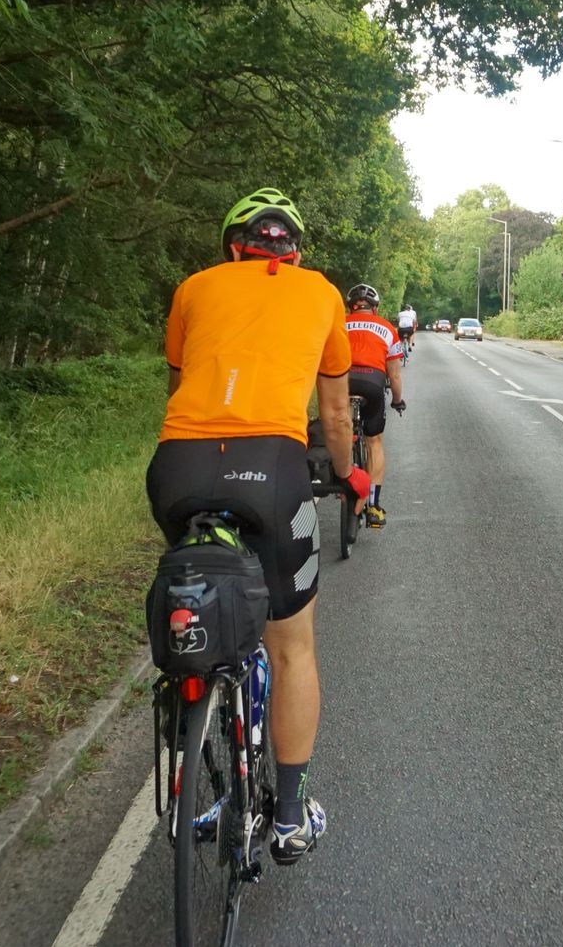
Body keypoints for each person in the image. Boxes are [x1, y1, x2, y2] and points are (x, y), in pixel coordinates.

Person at [145, 187, 370, 865]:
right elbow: (334, 417)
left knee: (201, 588)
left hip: (178, 466)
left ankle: (198, 750)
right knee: (291, 642)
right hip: (271, 468)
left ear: (231, 245)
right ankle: (291, 814)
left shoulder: (193, 288)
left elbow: (185, 380)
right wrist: (350, 475)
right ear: (293, 251)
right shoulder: (323, 294)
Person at [343, 283, 406, 528]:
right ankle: (374, 506)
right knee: (374, 442)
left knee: (340, 431)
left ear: (351, 307)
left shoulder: (339, 323)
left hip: (343, 382)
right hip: (373, 382)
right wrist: (397, 401)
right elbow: (395, 375)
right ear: (375, 308)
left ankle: (342, 481)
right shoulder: (388, 329)